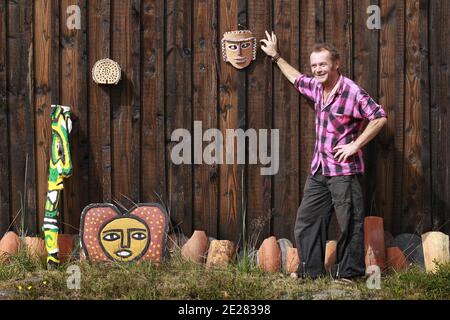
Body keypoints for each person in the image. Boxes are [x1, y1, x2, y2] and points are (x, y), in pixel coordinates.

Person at [260, 31, 387, 280]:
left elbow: (379, 117)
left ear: (336, 64)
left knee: (350, 223)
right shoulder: (318, 88)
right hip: (319, 170)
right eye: (315, 65)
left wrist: (355, 145)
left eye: (323, 64)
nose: (318, 69)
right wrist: (276, 57)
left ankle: (349, 275)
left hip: (344, 172)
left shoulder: (351, 92)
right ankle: (311, 271)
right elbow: (297, 79)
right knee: (306, 221)